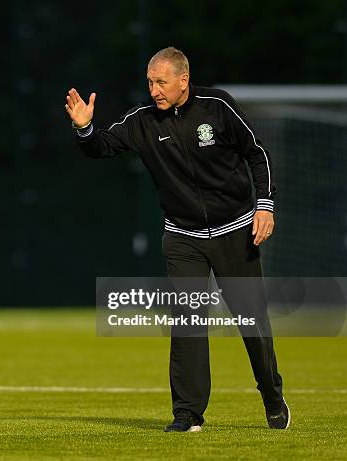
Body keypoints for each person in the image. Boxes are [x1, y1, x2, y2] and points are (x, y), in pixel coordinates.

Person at [65, 46, 289, 432]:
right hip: (183, 238)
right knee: (187, 320)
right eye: (150, 82)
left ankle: (271, 395)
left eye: (161, 82)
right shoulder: (142, 122)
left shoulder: (218, 107)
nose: (154, 90)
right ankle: (187, 414)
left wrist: (264, 205)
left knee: (251, 321)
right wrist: (84, 129)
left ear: (184, 80)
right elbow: (102, 147)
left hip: (236, 232)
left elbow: (257, 153)